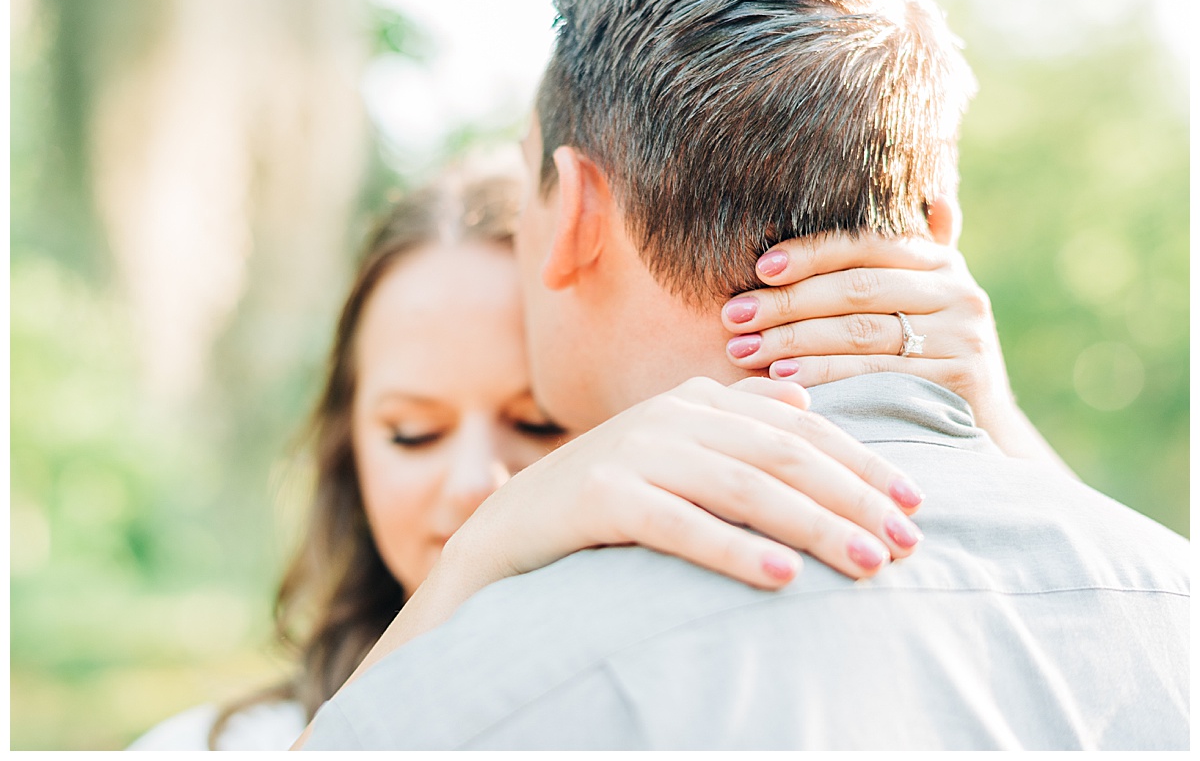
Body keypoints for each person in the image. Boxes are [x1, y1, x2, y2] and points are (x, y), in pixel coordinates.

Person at [298, 0, 1189, 750]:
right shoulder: (1168, 611)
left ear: (572, 211)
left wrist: (467, 573)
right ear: (937, 230)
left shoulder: (473, 690)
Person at [129, 147, 1024, 750]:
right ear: (346, 448)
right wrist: (476, 560)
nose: (478, 485)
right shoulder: (219, 744)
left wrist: (997, 421)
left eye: (537, 425)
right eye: (411, 433)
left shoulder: (743, 708)